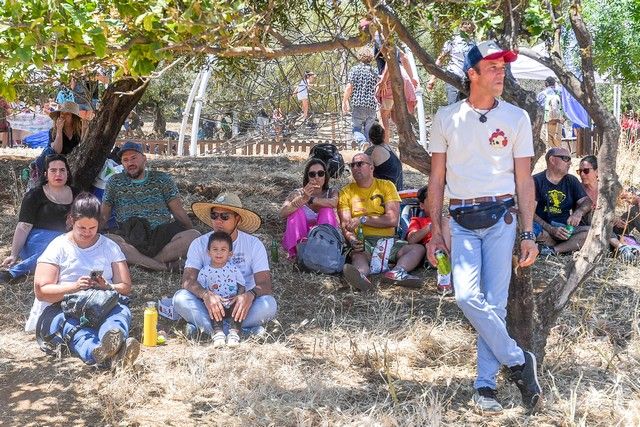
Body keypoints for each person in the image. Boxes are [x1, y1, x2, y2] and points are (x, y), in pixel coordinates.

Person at [426, 40, 542, 413]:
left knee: (494, 305)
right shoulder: (446, 117)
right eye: (492, 67)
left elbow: (525, 181)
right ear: (471, 74)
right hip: (459, 219)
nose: (501, 73)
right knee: (465, 297)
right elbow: (437, 180)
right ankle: (519, 361)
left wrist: (528, 233)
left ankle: (485, 388)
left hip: (502, 218)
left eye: (503, 68)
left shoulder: (516, 117)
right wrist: (435, 231)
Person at [26, 193, 139, 368]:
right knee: (75, 331)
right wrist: (74, 287)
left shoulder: (109, 246)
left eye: (92, 228)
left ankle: (112, 340)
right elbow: (41, 291)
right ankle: (102, 354)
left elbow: (125, 286)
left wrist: (107, 286)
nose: (87, 233)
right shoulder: (58, 246)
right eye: (81, 228)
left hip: (102, 304)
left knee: (119, 313)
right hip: (62, 308)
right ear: (71, 220)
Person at [173, 192, 278, 338]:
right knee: (180, 299)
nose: (218, 221)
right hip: (208, 304)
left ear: (238, 219)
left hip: (243, 306)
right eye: (214, 215)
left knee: (269, 304)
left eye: (225, 216)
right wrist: (205, 295)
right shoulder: (199, 243)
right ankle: (239, 332)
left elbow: (265, 284)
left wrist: (250, 295)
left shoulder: (254, 244)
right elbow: (187, 281)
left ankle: (210, 330)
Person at [101, 141, 200, 271]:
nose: (130, 163)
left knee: (194, 236)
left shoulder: (162, 179)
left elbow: (178, 211)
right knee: (107, 241)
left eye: (134, 158)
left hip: (162, 235)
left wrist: (193, 236)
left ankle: (142, 262)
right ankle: (162, 267)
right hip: (130, 235)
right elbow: (104, 214)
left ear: (144, 159)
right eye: (125, 160)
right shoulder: (114, 182)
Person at [339, 153, 425, 291]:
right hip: (363, 241)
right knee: (357, 255)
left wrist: (363, 219)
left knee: (417, 249)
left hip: (389, 241)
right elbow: (345, 225)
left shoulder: (386, 186)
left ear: (371, 167)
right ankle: (360, 277)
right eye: (352, 165)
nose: (355, 168)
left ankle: (397, 272)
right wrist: (352, 240)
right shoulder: (346, 192)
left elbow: (392, 219)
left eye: (360, 164)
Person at [1, 154, 79, 283]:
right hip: (36, 241)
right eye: (53, 170)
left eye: (62, 170)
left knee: (65, 247)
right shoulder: (34, 195)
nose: (58, 174)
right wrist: (14, 255)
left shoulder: (77, 194)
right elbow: (23, 227)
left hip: (68, 241)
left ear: (68, 173)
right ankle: (13, 273)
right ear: (45, 174)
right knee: (54, 245)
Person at [534, 147, 592, 256]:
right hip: (544, 229)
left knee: (593, 232)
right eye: (566, 158)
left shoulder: (571, 180)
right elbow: (529, 212)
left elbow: (587, 202)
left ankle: (553, 250)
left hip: (566, 230)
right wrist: (551, 229)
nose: (570, 163)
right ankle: (564, 248)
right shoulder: (536, 181)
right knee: (531, 229)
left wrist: (578, 213)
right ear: (552, 160)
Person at [280, 159, 339, 258]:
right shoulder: (298, 192)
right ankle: (297, 253)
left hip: (322, 239)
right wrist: (303, 199)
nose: (316, 177)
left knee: (326, 210)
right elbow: (282, 212)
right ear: (307, 177)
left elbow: (333, 203)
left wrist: (311, 199)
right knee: (296, 211)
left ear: (325, 176)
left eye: (320, 173)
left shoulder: (331, 191)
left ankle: (324, 251)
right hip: (301, 238)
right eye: (312, 174)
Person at [198, 231, 246, 348]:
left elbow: (242, 285)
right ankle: (218, 334)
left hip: (231, 302)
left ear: (230, 254)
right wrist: (208, 297)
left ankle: (234, 334)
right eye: (215, 249)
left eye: (223, 250)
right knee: (215, 309)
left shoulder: (233, 269)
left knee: (238, 309)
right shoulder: (204, 271)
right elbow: (200, 289)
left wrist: (239, 297)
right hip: (216, 304)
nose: (219, 253)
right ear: (208, 252)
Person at [406, 186, 452, 293]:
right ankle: (445, 276)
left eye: (439, 199)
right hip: (434, 255)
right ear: (422, 205)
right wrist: (430, 227)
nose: (436, 202)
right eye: (432, 199)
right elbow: (411, 240)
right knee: (444, 222)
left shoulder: (447, 219)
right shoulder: (418, 221)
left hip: (454, 248)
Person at [427, 20, 477, 104]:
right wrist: (432, 79)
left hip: (468, 80)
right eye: (465, 25)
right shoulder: (452, 41)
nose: (467, 27)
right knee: (453, 106)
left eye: (469, 25)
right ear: (460, 27)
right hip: (453, 76)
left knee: (467, 109)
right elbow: (440, 58)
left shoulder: (474, 43)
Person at [33, 101, 83, 178]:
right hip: (54, 158)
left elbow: (83, 146)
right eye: (61, 113)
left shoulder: (79, 131)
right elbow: (57, 151)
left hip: (73, 160)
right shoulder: (53, 131)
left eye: (67, 114)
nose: (63, 116)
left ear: (73, 117)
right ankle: (37, 173)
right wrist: (59, 130)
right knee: (48, 150)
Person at [342, 46, 379, 144]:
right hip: (371, 106)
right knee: (368, 132)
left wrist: (345, 101)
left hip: (358, 105)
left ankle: (362, 143)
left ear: (360, 56)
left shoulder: (355, 70)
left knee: (356, 129)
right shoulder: (375, 71)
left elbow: (349, 87)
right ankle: (368, 153)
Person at [364, 122, 403, 190]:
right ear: (384, 136)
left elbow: (362, 172)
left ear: (370, 138)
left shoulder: (372, 151)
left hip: (388, 193)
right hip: (398, 189)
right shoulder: (389, 148)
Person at [537, 77, 564, 149]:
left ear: (546, 83)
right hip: (558, 121)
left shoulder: (542, 94)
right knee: (557, 144)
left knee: (547, 144)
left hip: (546, 121)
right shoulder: (560, 93)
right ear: (554, 83)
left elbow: (539, 108)